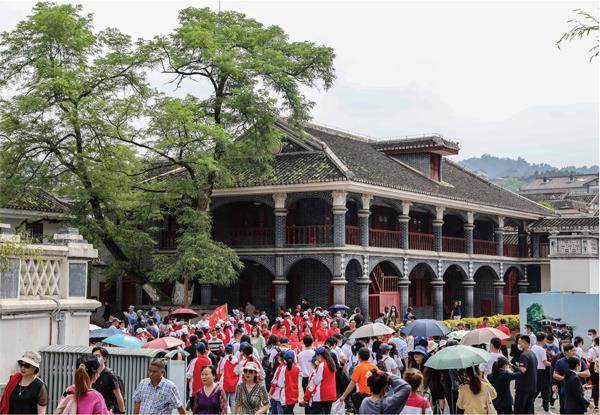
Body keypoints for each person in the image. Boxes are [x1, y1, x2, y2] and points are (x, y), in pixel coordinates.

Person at [552, 343, 590, 414]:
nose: (575, 352)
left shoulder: (579, 360)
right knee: (564, 409)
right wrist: (566, 379)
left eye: (575, 350)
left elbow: (587, 373)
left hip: (578, 389)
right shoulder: (560, 362)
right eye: (573, 350)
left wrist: (575, 373)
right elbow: (554, 375)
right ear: (566, 352)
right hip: (564, 391)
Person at [338, 346, 376, 411]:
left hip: (364, 397)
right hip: (374, 396)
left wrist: (344, 395)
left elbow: (352, 383)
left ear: (358, 356)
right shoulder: (374, 367)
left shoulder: (359, 367)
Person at [91, 346, 126, 414]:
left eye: (98, 356)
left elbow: (119, 396)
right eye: (93, 356)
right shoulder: (92, 373)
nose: (95, 358)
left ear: (104, 359)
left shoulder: (109, 375)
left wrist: (122, 412)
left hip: (109, 410)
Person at [303, 347, 337, 414]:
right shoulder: (331, 363)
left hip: (321, 394)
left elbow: (316, 381)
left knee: (313, 412)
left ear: (319, 355)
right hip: (331, 394)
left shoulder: (322, 365)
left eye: (316, 356)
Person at [514, 334, 537, 414]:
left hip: (523, 387)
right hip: (532, 386)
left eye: (520, 343)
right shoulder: (532, 353)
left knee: (519, 409)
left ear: (525, 343)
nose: (519, 345)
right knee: (528, 409)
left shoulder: (524, 355)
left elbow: (523, 370)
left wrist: (515, 367)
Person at [530, 332, 551, 412]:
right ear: (543, 339)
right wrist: (553, 364)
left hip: (534, 370)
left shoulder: (533, 347)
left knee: (536, 389)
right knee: (545, 390)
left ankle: (530, 405)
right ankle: (546, 408)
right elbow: (545, 362)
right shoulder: (542, 350)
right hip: (542, 372)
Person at [216, 344, 239, 412]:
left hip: (224, 384)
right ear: (232, 351)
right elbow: (238, 372)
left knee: (224, 404)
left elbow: (218, 373)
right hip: (234, 384)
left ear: (225, 351)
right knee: (233, 403)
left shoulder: (222, 360)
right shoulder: (236, 359)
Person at [588, 336, 599, 410]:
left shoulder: (592, 350)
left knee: (595, 387)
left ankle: (596, 405)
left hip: (594, 369)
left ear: (595, 342)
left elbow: (589, 359)